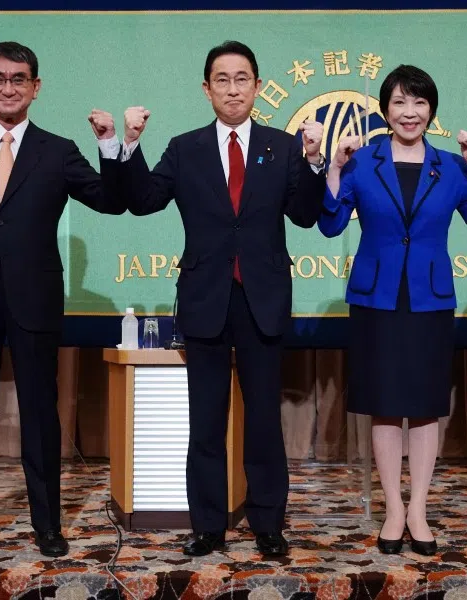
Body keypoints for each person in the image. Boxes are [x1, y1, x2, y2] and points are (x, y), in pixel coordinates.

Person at [98, 40, 326, 557]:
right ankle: (207, 526)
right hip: (204, 298)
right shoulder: (185, 148)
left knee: (264, 420)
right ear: (206, 89)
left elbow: (306, 215)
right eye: (221, 80)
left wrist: (314, 162)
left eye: (241, 78)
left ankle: (268, 524)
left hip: (262, 298)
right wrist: (127, 144)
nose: (232, 88)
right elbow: (143, 202)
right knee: (205, 422)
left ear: (258, 86)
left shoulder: (284, 146)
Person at [0, 41, 128, 558]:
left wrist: (109, 145)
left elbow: (108, 200)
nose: (8, 87)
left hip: (34, 300)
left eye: (19, 79)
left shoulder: (57, 150)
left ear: (36, 87)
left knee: (41, 415)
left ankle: (47, 526)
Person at [318, 65, 467, 555]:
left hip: (429, 299)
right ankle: (392, 509)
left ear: (431, 110)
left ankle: (418, 507)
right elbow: (331, 227)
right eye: (399, 102)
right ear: (385, 109)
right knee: (384, 404)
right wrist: (333, 169)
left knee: (423, 407)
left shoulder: (452, 166)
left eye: (419, 103)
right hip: (376, 298)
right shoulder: (362, 161)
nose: (409, 112)